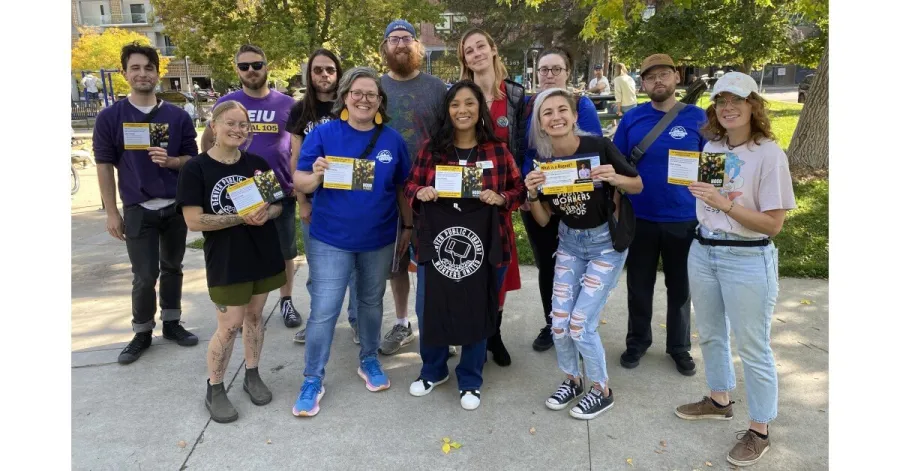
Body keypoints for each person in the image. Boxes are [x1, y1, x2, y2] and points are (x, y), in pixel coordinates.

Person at [674, 72, 796, 468]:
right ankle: (719, 399)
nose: (728, 107)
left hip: (747, 257)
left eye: (737, 100)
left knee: (753, 347)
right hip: (703, 250)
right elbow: (712, 199)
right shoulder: (713, 146)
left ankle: (759, 430)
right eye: (721, 101)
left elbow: (773, 224)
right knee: (710, 334)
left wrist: (724, 204)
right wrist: (704, 194)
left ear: (753, 105)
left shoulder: (770, 154)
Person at [292, 67, 413, 417]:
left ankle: (369, 359)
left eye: (371, 94)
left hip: (378, 238)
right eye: (357, 93)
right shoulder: (324, 134)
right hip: (331, 239)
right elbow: (300, 180)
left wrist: (408, 226)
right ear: (345, 97)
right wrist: (315, 176)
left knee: (371, 303)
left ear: (380, 101)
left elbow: (402, 188)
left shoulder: (392, 140)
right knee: (325, 309)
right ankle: (312, 377)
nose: (364, 99)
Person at [404, 81, 525, 410]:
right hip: (437, 247)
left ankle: (470, 377)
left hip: (487, 246)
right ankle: (433, 370)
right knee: (431, 309)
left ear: (479, 109)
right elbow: (410, 184)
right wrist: (420, 193)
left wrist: (502, 198)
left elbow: (519, 189)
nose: (462, 110)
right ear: (447, 110)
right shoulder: (432, 149)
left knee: (478, 309)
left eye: (469, 103)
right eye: (455, 104)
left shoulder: (497, 150)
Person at [524, 88, 642, 420]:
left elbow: (637, 184)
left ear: (575, 116)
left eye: (562, 110)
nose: (556, 117)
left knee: (579, 325)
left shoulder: (598, 147)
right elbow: (544, 219)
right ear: (541, 123)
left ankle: (602, 390)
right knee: (559, 323)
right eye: (547, 113)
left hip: (605, 245)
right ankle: (573, 380)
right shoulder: (545, 164)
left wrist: (614, 177)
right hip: (569, 244)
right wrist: (532, 194)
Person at [176, 100, 286, 423]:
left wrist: (267, 212)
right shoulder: (196, 169)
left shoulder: (257, 163)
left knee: (255, 316)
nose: (237, 130)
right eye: (230, 123)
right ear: (214, 126)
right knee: (229, 325)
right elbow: (193, 221)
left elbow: (278, 205)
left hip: (262, 253)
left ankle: (252, 373)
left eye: (243, 125)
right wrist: (240, 217)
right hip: (226, 259)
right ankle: (215, 387)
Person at [93, 42, 199, 364]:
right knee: (144, 275)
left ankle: (172, 322)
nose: (142, 74)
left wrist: (173, 162)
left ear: (157, 73)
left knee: (173, 268)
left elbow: (192, 160)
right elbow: (104, 166)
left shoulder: (177, 117)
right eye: (135, 68)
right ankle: (142, 331)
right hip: (138, 209)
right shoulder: (110, 118)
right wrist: (112, 212)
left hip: (174, 207)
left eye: (148, 68)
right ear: (125, 73)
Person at [613, 53, 707, 376]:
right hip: (640, 217)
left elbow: (714, 166)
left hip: (684, 217)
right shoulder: (632, 119)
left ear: (677, 77)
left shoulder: (698, 118)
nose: (658, 81)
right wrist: (615, 208)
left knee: (680, 288)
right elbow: (617, 165)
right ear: (642, 84)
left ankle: (679, 347)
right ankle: (637, 341)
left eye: (664, 74)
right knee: (639, 286)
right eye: (651, 77)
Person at [201, 45, 301, 329]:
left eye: (256, 64)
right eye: (244, 66)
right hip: (237, 192)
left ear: (266, 66)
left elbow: (297, 146)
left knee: (284, 250)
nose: (251, 70)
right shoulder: (228, 102)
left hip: (277, 189)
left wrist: (295, 179)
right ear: (237, 70)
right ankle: (245, 307)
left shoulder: (287, 104)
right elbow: (208, 141)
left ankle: (286, 301)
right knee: (242, 250)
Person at [519, 48, 603, 352]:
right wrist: (527, 188)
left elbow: (591, 150)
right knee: (547, 264)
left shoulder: (581, 105)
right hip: (538, 198)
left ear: (568, 72)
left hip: (575, 198)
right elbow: (523, 151)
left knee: (579, 265)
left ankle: (580, 325)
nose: (550, 75)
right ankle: (552, 322)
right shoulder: (527, 107)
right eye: (544, 69)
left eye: (556, 69)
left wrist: (564, 184)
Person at [377, 19, 448, 356]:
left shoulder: (436, 88)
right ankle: (402, 323)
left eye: (407, 38)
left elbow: (449, 135)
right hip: (386, 190)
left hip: (430, 190)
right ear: (385, 47)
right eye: (394, 39)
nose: (401, 44)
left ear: (417, 45)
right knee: (396, 262)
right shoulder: (375, 87)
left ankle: (438, 326)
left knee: (433, 261)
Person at [458, 27, 526, 366]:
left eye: (480, 46)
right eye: (469, 50)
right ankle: (472, 332)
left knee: (499, 265)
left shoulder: (514, 96)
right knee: (468, 263)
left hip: (500, 197)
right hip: (464, 196)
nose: (476, 53)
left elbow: (523, 143)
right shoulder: (459, 94)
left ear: (493, 49)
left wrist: (519, 190)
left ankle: (494, 333)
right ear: (464, 59)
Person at [286, 49, 349, 344]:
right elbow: (295, 157)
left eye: (330, 69)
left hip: (347, 200)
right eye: (318, 70)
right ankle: (318, 322)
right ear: (309, 74)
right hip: (314, 199)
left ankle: (356, 321)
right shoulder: (300, 110)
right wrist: (302, 201)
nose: (324, 75)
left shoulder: (348, 106)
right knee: (318, 269)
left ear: (338, 73)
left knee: (355, 270)